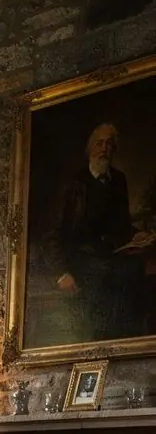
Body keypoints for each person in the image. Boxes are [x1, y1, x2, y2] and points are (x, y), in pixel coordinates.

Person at [55, 122, 152, 341]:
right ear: (90, 148)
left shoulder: (119, 180)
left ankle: (129, 341)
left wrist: (135, 235)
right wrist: (61, 272)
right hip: (81, 256)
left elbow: (121, 225)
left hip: (112, 253)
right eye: (99, 143)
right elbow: (56, 231)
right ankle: (102, 341)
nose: (104, 149)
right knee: (106, 274)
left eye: (109, 144)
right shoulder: (75, 183)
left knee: (134, 269)